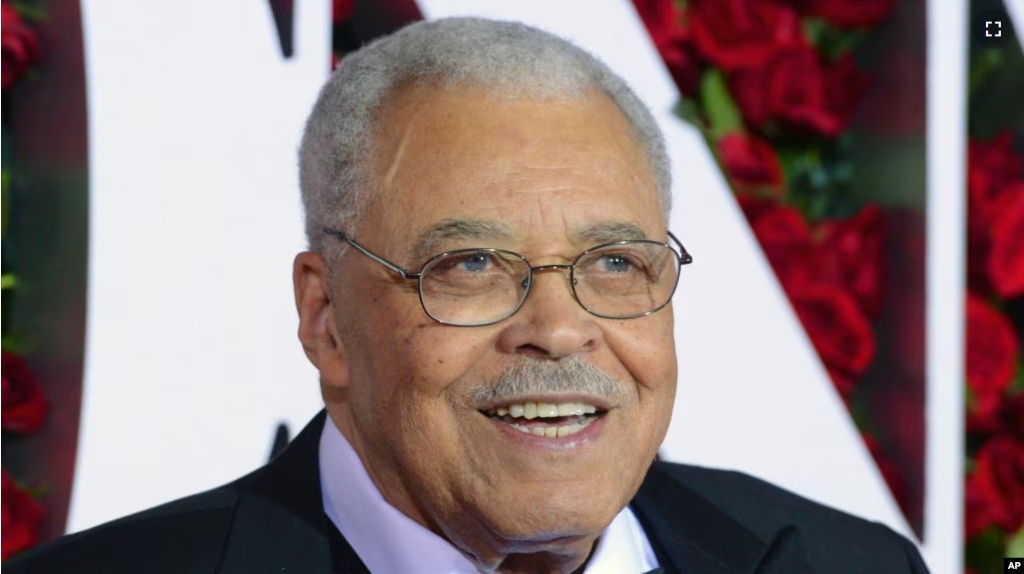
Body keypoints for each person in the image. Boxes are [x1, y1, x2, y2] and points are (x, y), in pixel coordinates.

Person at [7, 17, 929, 574]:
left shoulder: (845, 563)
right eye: (473, 266)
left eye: (615, 264)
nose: (561, 330)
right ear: (326, 321)